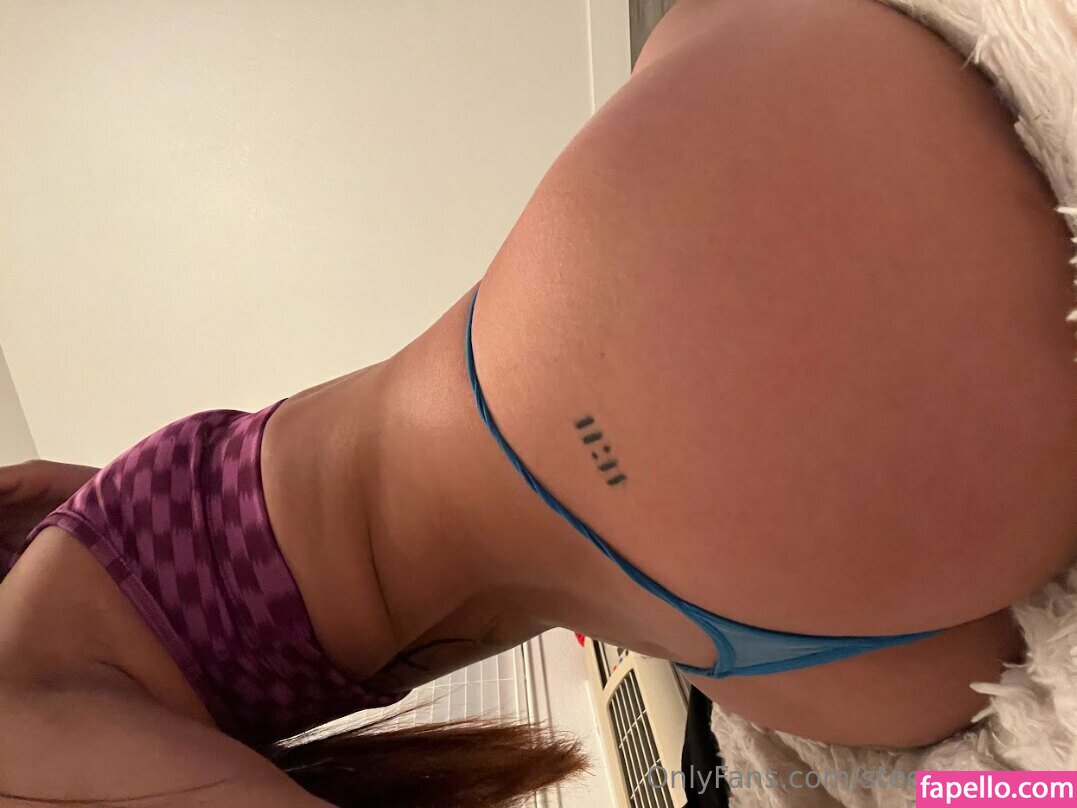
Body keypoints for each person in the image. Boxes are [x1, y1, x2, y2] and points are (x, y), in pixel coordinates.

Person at [2, 0, 1076, 805]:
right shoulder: (44, 667)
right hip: (620, 365)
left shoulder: (50, 668)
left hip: (783, 651)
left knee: (997, 784)